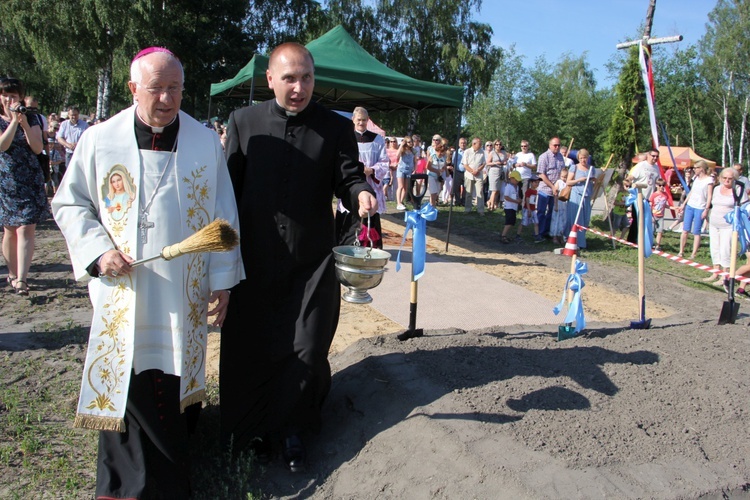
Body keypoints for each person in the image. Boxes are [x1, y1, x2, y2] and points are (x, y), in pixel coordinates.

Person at [51, 47, 243, 498]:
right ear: (133, 88)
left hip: (182, 289)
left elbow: (223, 216)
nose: (167, 98)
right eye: (156, 88)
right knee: (130, 377)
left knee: (173, 376)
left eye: (175, 88)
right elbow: (69, 202)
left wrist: (222, 281)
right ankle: (123, 482)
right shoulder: (101, 139)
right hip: (125, 287)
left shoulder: (201, 141)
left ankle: (171, 473)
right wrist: (99, 252)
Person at [221, 42, 377, 473]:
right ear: (270, 78)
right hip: (251, 259)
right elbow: (227, 191)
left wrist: (361, 192)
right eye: (289, 78)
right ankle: (251, 428)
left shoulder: (334, 127)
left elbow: (347, 177)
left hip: (311, 262)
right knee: (249, 345)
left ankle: (293, 428)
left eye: (306, 78)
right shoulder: (244, 122)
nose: (299, 87)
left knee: (306, 347)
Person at [0, 77, 48, 296]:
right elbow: (3, 145)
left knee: (27, 228)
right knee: (10, 230)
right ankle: (12, 272)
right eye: (6, 95)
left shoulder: (32, 118)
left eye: (14, 96)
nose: (10, 99)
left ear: (20, 97)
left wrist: (25, 124)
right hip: (6, 181)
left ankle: (22, 278)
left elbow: (37, 148)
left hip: (29, 179)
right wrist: (12, 122)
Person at [335, 106, 388, 247]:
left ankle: (370, 245)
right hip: (352, 183)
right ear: (353, 119)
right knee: (349, 215)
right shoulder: (346, 137)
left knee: (369, 211)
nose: (361, 123)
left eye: (364, 120)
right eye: (359, 120)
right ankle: (346, 244)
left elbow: (384, 162)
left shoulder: (377, 139)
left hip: (371, 182)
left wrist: (371, 170)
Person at [706, 168, 745, 288]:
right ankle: (715, 272)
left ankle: (724, 276)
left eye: (730, 178)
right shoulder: (717, 189)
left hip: (728, 226)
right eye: (724, 178)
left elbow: (743, 207)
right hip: (714, 223)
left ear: (734, 179)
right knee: (715, 248)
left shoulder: (738, 190)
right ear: (720, 178)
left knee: (725, 249)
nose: (727, 180)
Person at [677, 160, 713, 260]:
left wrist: (706, 209)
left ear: (701, 168)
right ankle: (681, 251)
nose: (694, 169)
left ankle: (693, 253)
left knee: (696, 231)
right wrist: (683, 204)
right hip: (690, 205)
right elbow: (691, 192)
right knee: (685, 229)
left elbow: (709, 196)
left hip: (700, 207)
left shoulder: (709, 180)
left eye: (696, 167)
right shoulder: (696, 178)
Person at [564, 148, 597, 249]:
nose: (583, 160)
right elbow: (568, 182)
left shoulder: (591, 168)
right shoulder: (574, 167)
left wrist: (595, 181)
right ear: (578, 158)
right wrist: (579, 180)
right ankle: (573, 241)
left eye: (585, 158)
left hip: (587, 196)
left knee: (585, 219)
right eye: (581, 158)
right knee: (576, 219)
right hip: (576, 194)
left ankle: (581, 241)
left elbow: (594, 183)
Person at [536, 136, 565, 240]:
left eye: (558, 145)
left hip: (556, 190)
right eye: (555, 145)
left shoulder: (561, 157)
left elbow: (563, 172)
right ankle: (539, 232)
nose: (557, 147)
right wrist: (552, 186)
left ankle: (547, 231)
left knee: (552, 212)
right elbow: (541, 174)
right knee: (541, 211)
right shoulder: (544, 157)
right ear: (550, 145)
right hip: (545, 189)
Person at [56, 106, 89, 173]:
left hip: (81, 153)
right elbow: (59, 138)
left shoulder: (84, 125)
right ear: (68, 115)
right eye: (72, 115)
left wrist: (78, 144)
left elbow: (88, 138)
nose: (74, 117)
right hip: (69, 153)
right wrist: (68, 145)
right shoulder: (64, 124)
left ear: (78, 114)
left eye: (75, 115)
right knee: (69, 173)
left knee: (81, 173)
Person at [462, 137, 486, 215]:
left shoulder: (482, 152)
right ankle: (467, 209)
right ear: (474, 144)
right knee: (468, 193)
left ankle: (480, 210)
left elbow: (483, 163)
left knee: (480, 192)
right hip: (469, 175)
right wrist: (472, 171)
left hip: (479, 175)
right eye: (479, 143)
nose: (481, 144)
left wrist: (478, 170)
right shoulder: (467, 152)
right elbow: (465, 164)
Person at [501, 170, 524, 244]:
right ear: (512, 179)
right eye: (516, 180)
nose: (517, 181)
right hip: (509, 207)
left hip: (513, 207)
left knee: (512, 222)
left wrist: (519, 200)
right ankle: (503, 235)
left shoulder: (516, 187)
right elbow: (506, 197)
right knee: (509, 222)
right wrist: (516, 201)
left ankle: (505, 235)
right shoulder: (509, 187)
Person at [396, 136, 416, 210]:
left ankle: (401, 202)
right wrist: (401, 145)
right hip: (401, 169)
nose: (410, 143)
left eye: (411, 141)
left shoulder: (413, 151)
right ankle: (398, 202)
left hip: (409, 170)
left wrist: (415, 169)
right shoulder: (402, 150)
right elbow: (397, 155)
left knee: (406, 188)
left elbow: (415, 160)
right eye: (408, 142)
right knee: (400, 186)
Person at [649, 178, 669, 251]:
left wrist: (673, 208)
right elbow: (650, 206)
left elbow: (664, 205)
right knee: (651, 231)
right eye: (660, 185)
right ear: (656, 185)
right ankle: (650, 244)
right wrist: (651, 216)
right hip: (654, 215)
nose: (661, 187)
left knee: (660, 231)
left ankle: (658, 245)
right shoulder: (654, 195)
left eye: (663, 185)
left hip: (661, 216)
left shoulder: (665, 195)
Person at [486, 139, 506, 211]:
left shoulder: (504, 153)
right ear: (494, 145)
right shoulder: (492, 153)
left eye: (500, 144)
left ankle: (490, 202)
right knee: (494, 190)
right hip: (493, 171)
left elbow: (505, 160)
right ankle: (490, 205)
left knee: (497, 190)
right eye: (497, 144)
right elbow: (487, 163)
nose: (498, 146)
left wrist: (504, 162)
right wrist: (495, 163)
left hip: (501, 171)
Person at [426, 140, 447, 206]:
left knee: (437, 192)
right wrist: (436, 171)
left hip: (438, 177)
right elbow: (428, 167)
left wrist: (442, 170)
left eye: (442, 152)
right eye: (439, 152)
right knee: (433, 192)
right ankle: (432, 206)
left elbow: (444, 166)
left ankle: (432, 204)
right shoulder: (433, 156)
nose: (440, 154)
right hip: (432, 176)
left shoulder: (443, 158)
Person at [523, 176, 541, 241]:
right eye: (535, 182)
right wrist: (529, 209)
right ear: (531, 182)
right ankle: (518, 234)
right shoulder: (529, 191)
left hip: (533, 209)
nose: (537, 184)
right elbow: (527, 200)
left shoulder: (536, 191)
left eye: (538, 182)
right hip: (528, 209)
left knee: (536, 222)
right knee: (523, 223)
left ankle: (537, 235)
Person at [451, 137, 467, 205]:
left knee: (465, 188)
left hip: (466, 172)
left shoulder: (468, 152)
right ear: (459, 144)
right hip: (457, 172)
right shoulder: (456, 152)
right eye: (461, 143)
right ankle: (457, 201)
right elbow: (453, 162)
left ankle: (463, 201)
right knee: (456, 188)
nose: (463, 144)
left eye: (464, 143)